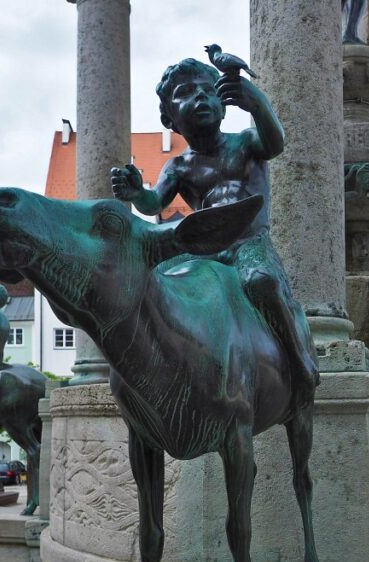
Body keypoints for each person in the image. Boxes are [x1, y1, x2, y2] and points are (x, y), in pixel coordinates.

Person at [110, 58, 319, 410]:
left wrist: (256, 102)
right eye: (186, 94)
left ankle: (299, 358)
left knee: (262, 281)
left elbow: (276, 143)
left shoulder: (246, 143)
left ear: (223, 103)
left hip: (249, 243)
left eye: (208, 90)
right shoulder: (178, 166)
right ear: (169, 119)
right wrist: (135, 193)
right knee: (160, 280)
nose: (201, 98)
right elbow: (153, 202)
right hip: (207, 247)